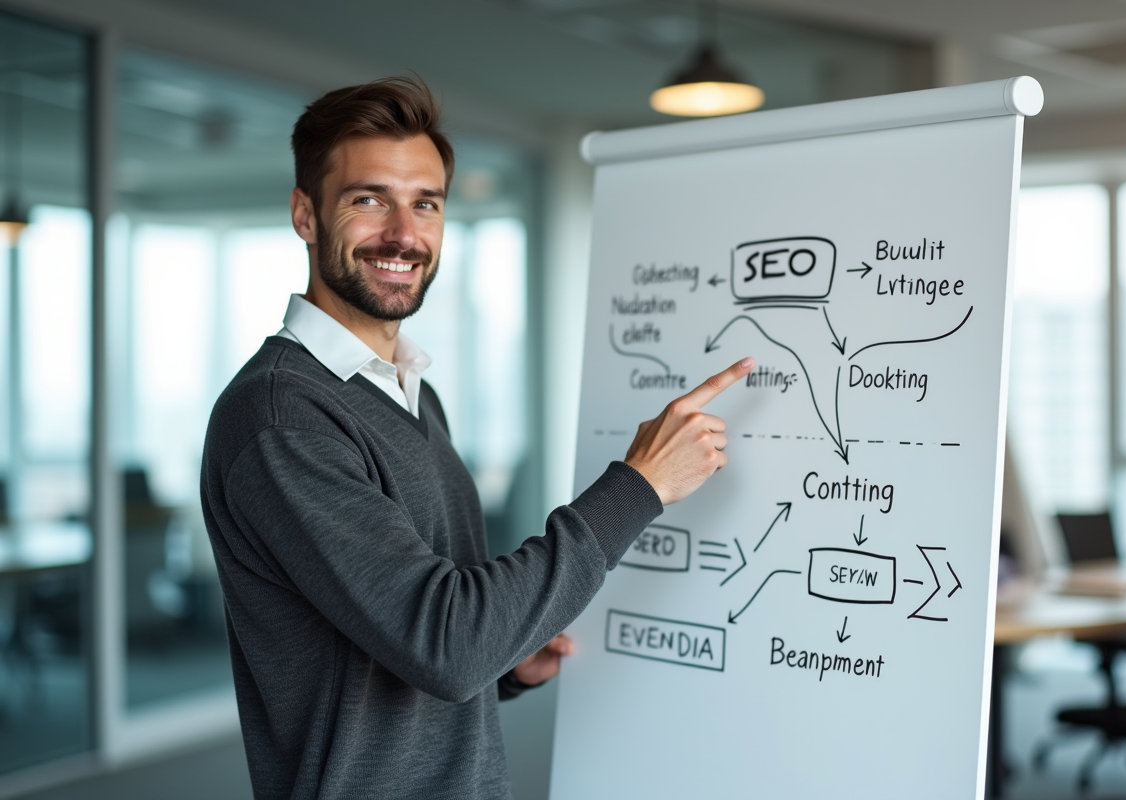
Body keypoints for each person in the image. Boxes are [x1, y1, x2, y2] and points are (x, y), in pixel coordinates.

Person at [200, 76, 753, 800]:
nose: (403, 234)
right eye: (369, 200)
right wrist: (640, 486)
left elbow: (413, 640)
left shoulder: (406, 392)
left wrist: (506, 665)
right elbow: (447, 644)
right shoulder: (282, 417)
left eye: (424, 204)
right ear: (306, 214)